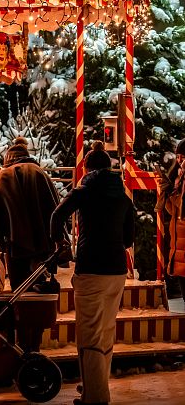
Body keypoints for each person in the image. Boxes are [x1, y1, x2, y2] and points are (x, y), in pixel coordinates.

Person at [50, 141, 135, 405]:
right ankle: (93, 386)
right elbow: (129, 238)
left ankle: (95, 396)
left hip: (91, 269)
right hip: (117, 271)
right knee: (105, 331)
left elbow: (57, 215)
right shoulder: (122, 196)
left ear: (86, 167)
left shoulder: (83, 191)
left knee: (88, 333)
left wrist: (59, 243)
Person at [0, 137, 61, 352]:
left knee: (19, 294)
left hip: (15, 248)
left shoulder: (3, 176)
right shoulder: (41, 174)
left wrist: (0, 240)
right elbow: (56, 208)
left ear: (8, 158)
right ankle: (34, 345)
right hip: (43, 248)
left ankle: (20, 345)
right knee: (38, 294)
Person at [155, 138, 185, 303]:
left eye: (183, 157)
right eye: (178, 156)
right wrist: (167, 194)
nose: (180, 161)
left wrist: (173, 194)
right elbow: (174, 210)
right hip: (179, 242)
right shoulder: (178, 177)